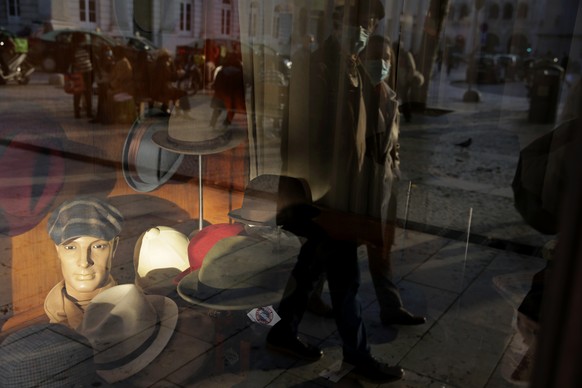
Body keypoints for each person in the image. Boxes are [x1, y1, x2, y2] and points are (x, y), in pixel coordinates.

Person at [43, 197, 124, 329]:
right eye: (71, 247)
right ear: (57, 250)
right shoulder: (53, 315)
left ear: (113, 247)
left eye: (98, 247)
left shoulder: (131, 311)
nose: (84, 262)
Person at [393, 41, 424, 122]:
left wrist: (408, 79)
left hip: (405, 81)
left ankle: (407, 116)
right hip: (397, 80)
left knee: (404, 99)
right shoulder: (394, 55)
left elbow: (412, 67)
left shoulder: (406, 55)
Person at [108, 45, 136, 124]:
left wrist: (111, 85)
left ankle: (113, 118)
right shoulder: (124, 61)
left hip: (124, 88)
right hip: (124, 86)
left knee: (109, 94)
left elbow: (119, 78)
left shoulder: (122, 63)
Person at [69, 32, 93, 119]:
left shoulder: (85, 47)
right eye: (84, 38)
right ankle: (77, 112)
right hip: (80, 73)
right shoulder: (73, 48)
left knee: (87, 93)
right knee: (78, 92)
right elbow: (72, 61)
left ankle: (88, 111)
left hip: (87, 72)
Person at [89, 45, 114, 124]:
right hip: (104, 81)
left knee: (102, 100)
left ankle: (101, 116)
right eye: (107, 50)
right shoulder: (104, 59)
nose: (108, 52)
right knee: (104, 100)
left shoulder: (101, 58)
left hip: (102, 81)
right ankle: (103, 117)